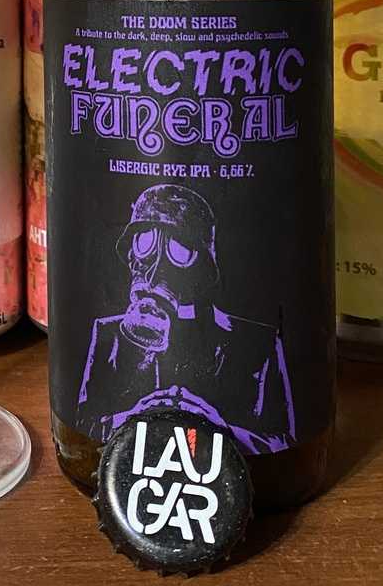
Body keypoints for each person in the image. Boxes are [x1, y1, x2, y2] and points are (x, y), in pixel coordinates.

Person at [74, 183, 296, 453]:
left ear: (203, 267)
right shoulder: (108, 334)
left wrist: (218, 428)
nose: (154, 273)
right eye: (144, 243)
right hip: (121, 461)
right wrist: (132, 420)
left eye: (178, 251)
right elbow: (83, 426)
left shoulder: (258, 344)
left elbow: (284, 440)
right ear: (132, 255)